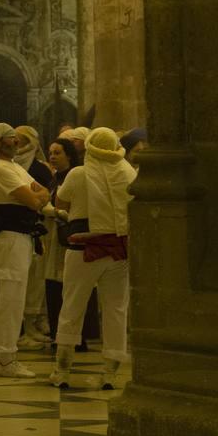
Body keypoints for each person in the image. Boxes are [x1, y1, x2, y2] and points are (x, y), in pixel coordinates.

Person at [51, 128, 135, 390]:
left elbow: (61, 203)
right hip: (118, 251)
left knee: (72, 306)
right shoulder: (128, 172)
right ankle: (110, 373)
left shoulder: (79, 173)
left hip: (82, 250)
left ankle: (62, 371)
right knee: (116, 310)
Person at [0, 123, 51, 378]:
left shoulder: (14, 167)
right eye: (11, 139)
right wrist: (34, 198)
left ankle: (7, 355)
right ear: (1, 143)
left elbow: (44, 193)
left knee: (15, 296)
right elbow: (33, 200)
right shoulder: (0, 169)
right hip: (8, 238)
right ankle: (6, 358)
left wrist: (36, 197)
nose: (17, 143)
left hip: (20, 236)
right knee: (10, 298)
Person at [14, 126, 56, 349]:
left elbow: (46, 195)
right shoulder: (9, 167)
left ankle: (31, 326)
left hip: (36, 228)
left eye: (21, 141)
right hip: (16, 229)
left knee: (34, 283)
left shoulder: (39, 168)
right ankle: (20, 330)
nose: (17, 146)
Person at [44, 138, 82, 339]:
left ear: (69, 155)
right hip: (53, 236)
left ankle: (72, 335)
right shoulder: (55, 177)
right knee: (53, 285)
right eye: (50, 152)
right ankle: (57, 332)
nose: (52, 157)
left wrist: (53, 211)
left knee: (67, 285)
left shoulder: (74, 176)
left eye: (57, 152)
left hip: (67, 236)